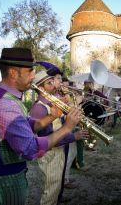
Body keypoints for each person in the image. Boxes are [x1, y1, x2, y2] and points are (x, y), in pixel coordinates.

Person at [0, 48, 82, 205]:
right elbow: (30, 148)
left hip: (9, 178)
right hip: (4, 183)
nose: (33, 76)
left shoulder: (9, 98)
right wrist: (67, 128)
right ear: (13, 73)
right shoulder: (5, 105)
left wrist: (53, 115)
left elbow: (27, 124)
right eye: (30, 70)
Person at [28, 70, 89, 205]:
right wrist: (74, 136)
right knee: (50, 193)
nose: (56, 85)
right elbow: (47, 140)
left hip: (59, 152)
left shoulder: (52, 103)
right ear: (41, 88)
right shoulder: (39, 108)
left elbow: (58, 127)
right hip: (50, 156)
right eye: (50, 83)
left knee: (56, 189)